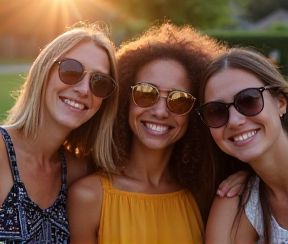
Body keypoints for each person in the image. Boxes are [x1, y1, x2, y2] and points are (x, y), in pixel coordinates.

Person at [67, 23, 246, 244]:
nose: (160, 112)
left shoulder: (202, 193)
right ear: (125, 101)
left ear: (194, 113)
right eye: (146, 93)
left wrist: (249, 177)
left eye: (178, 100)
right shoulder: (88, 197)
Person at [0, 23, 119, 243]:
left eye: (99, 83)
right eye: (71, 71)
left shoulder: (79, 170)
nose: (83, 90)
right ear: (44, 71)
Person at [197, 47, 288, 244]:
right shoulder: (236, 202)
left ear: (281, 102)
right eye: (216, 111)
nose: (234, 121)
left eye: (248, 100)